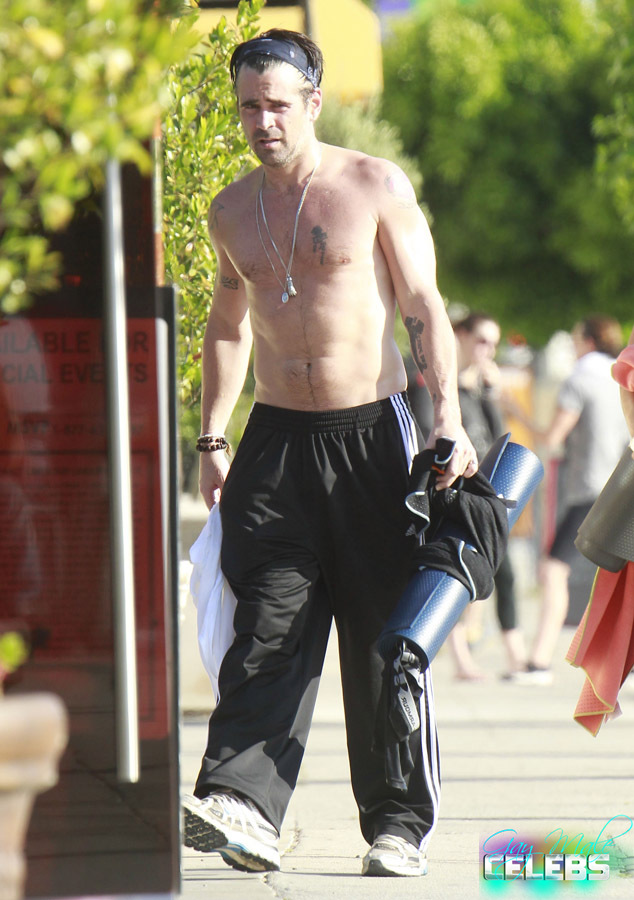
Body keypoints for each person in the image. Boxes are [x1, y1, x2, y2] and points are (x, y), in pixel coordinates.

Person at [182, 28, 477, 879]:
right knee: (268, 625)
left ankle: (397, 824)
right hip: (277, 443)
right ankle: (243, 804)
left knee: (385, 638)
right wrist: (213, 437)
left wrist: (449, 419)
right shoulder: (230, 209)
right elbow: (228, 326)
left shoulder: (373, 186)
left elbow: (422, 304)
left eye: (277, 104)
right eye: (249, 106)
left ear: (313, 101)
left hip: (372, 436)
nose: (262, 121)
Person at [517, 317, 630, 684]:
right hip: (620, 486)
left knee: (553, 570)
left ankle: (539, 661)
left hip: (589, 490)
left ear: (588, 341)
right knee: (620, 576)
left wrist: (516, 415)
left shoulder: (579, 379)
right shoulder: (617, 377)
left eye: (575, 338)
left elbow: (552, 436)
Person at [450, 313, 527, 680]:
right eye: (482, 340)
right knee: (458, 572)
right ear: (461, 336)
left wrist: (493, 394)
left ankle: (516, 653)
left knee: (505, 572)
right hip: (456, 492)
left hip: (486, 493)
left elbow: (499, 441)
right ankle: (461, 658)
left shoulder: (479, 389)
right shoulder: (444, 385)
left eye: (494, 344)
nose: (488, 351)